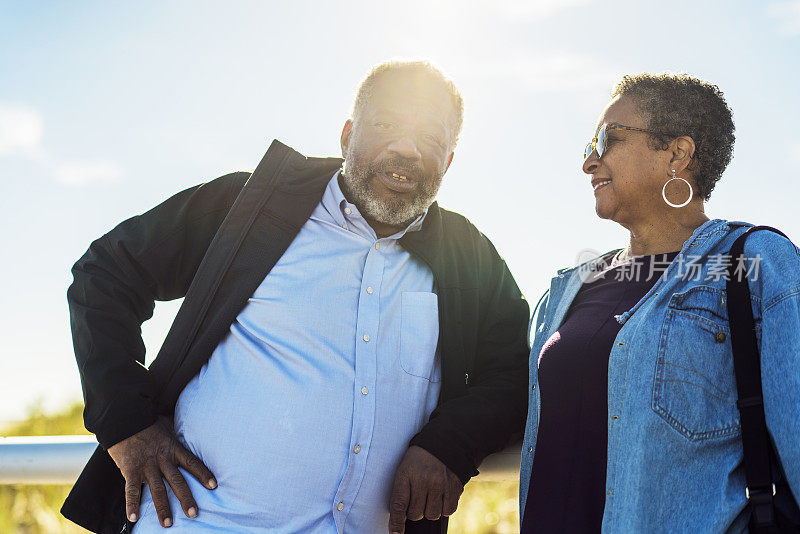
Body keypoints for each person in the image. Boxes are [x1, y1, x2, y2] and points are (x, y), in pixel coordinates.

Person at [62, 60, 530, 534]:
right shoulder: (249, 208)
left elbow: (512, 373)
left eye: (431, 139)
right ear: (347, 135)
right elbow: (105, 273)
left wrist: (448, 445)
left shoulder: (470, 256)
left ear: (448, 160)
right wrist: (126, 421)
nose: (407, 148)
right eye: (387, 125)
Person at [519, 73, 800, 532]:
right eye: (589, 145)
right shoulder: (568, 288)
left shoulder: (756, 263)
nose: (590, 162)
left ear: (678, 154)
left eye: (609, 139)